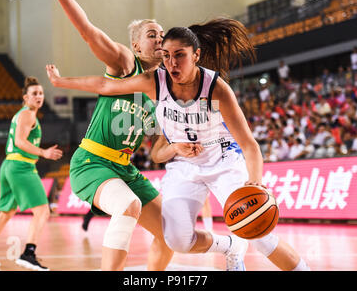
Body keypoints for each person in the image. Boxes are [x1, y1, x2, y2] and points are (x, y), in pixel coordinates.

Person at [46, 17, 310, 271]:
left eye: (179, 54)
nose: (172, 62)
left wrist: (256, 180)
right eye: (167, 55)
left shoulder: (215, 88)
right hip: (185, 168)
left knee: (260, 235)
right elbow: (107, 87)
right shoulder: (155, 86)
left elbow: (250, 145)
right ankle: (231, 247)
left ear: (195, 55)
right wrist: (62, 82)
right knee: (175, 240)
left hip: (222, 162)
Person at [27, 0, 173, 271]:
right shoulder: (125, 63)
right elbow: (88, 32)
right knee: (127, 206)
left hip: (126, 168)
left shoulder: (163, 90)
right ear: (135, 46)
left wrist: (181, 147)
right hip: (91, 162)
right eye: (151, 34)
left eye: (162, 34)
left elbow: (158, 150)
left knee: (172, 234)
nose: (160, 38)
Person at [0, 77, 63, 271]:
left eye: (41, 93)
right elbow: (20, 142)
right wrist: (43, 152)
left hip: (9, 165)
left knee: (6, 213)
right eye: (34, 94)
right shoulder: (28, 114)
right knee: (42, 211)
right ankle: (28, 254)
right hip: (21, 167)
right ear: (25, 97)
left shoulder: (22, 114)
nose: (39, 96)